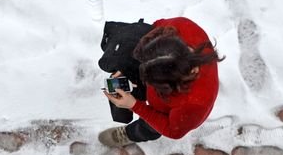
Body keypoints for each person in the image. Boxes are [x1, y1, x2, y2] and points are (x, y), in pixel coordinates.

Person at [96, 17, 224, 146]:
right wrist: (128, 69)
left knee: (149, 127)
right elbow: (155, 27)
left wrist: (135, 105)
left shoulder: (195, 104)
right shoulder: (183, 26)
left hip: (163, 111)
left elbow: (173, 131)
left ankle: (131, 133)